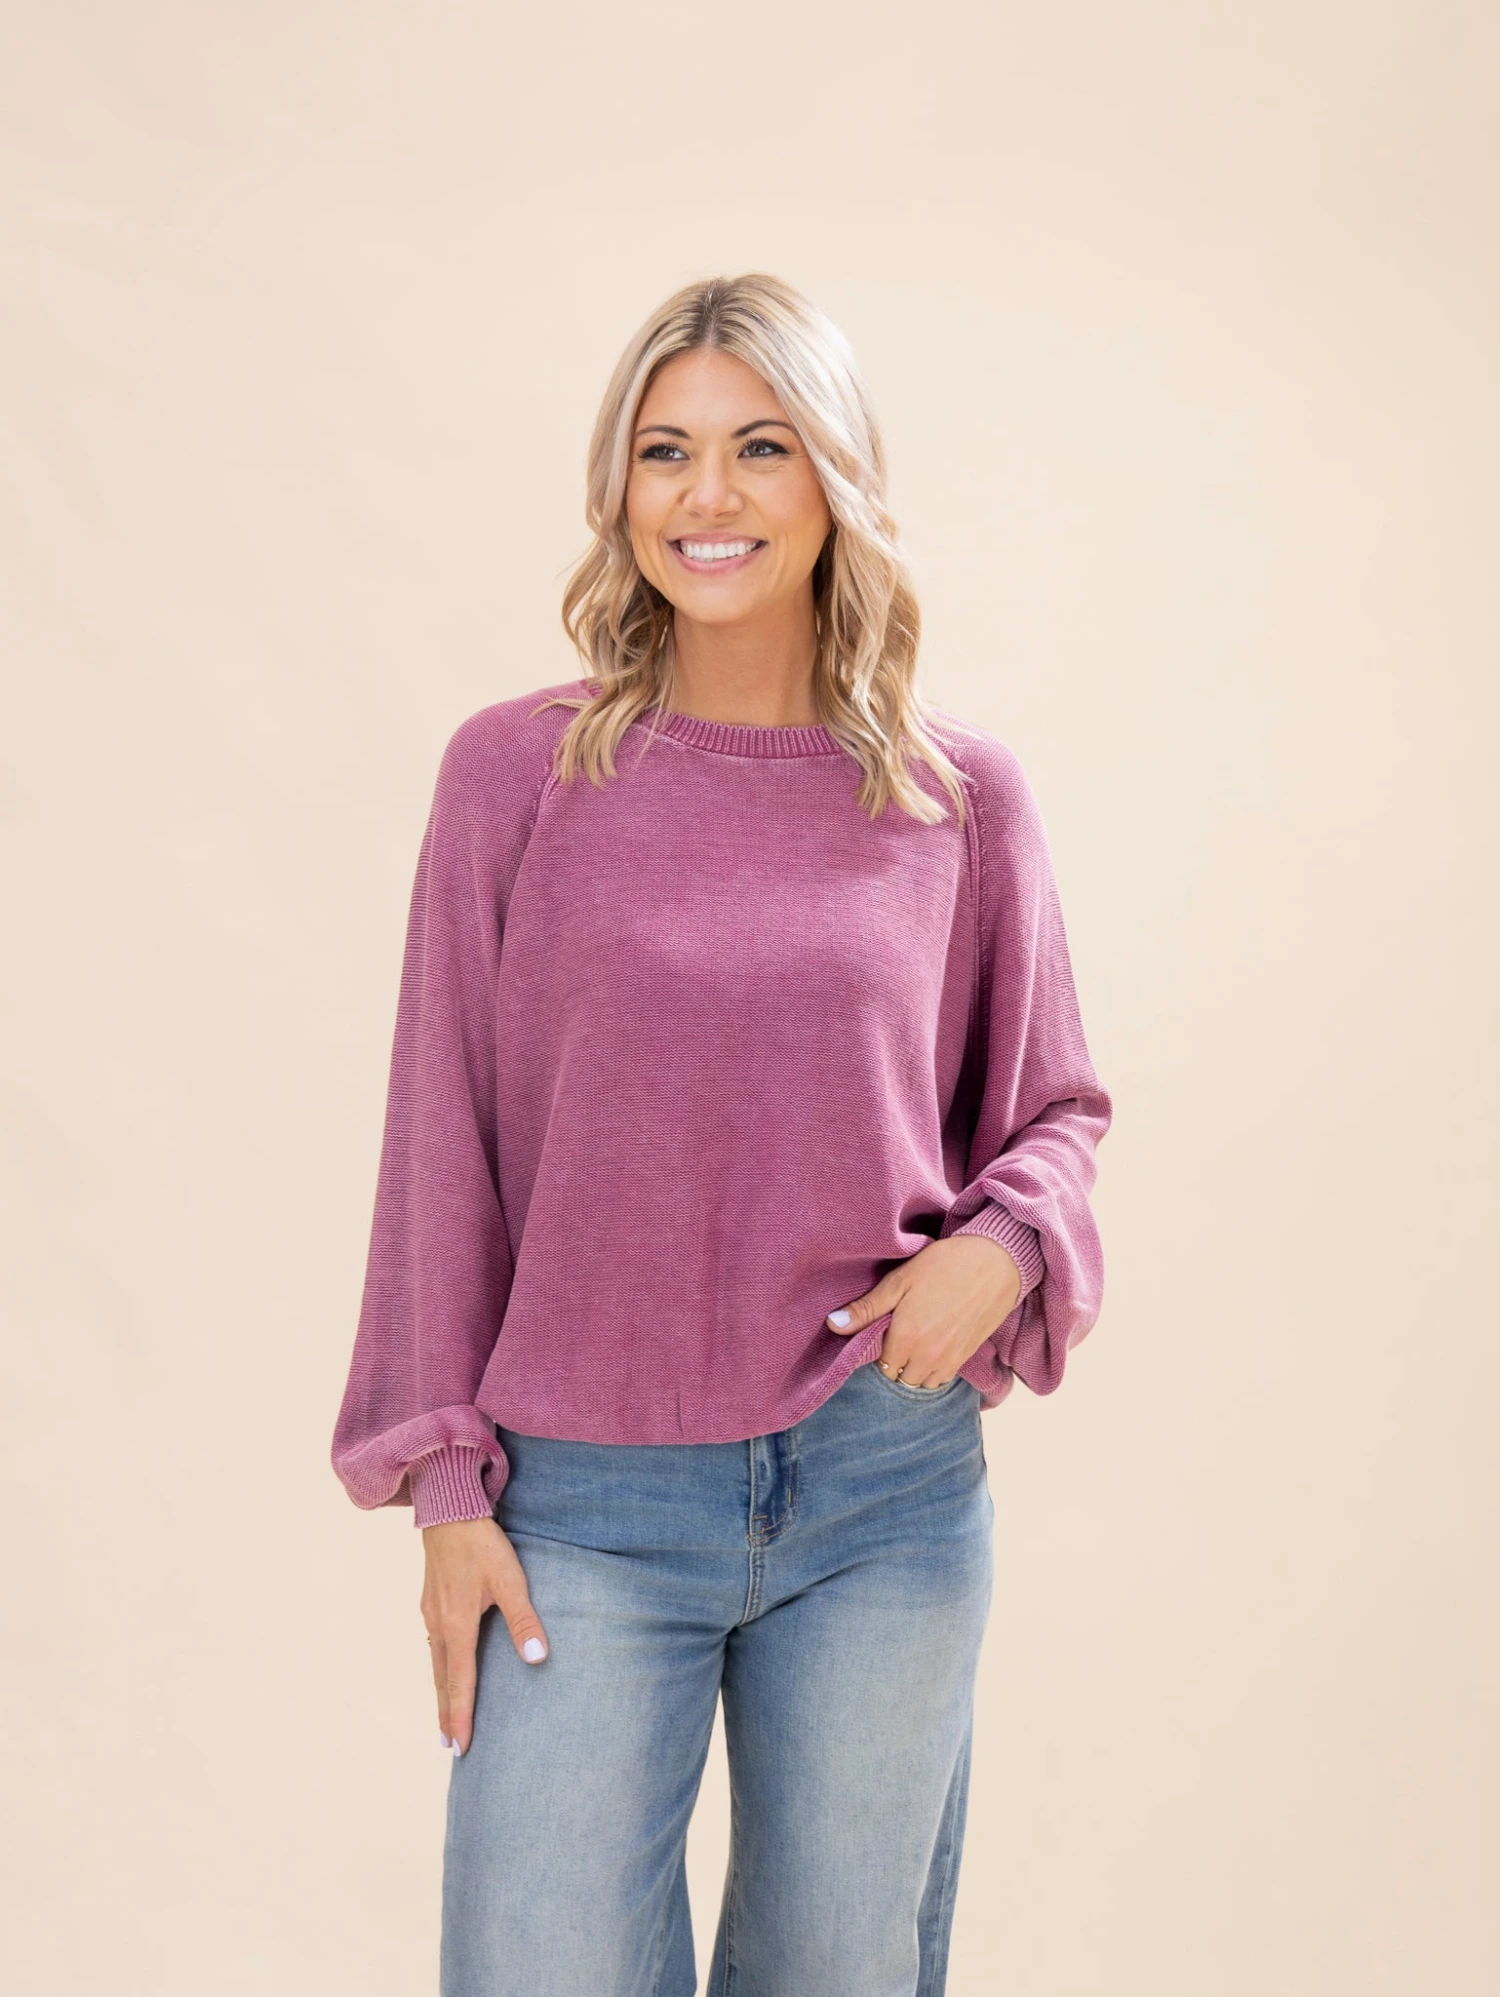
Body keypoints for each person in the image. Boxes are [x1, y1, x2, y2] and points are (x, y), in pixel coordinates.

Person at [330, 271, 1113, 1997]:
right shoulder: (515, 778)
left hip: (883, 1487)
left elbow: (1056, 1107)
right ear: (619, 488)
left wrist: (1001, 1244)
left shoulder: (956, 797)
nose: (710, 494)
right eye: (665, 450)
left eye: (762, 446)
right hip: (581, 1501)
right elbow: (437, 1138)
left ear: (835, 476)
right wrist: (444, 1485)